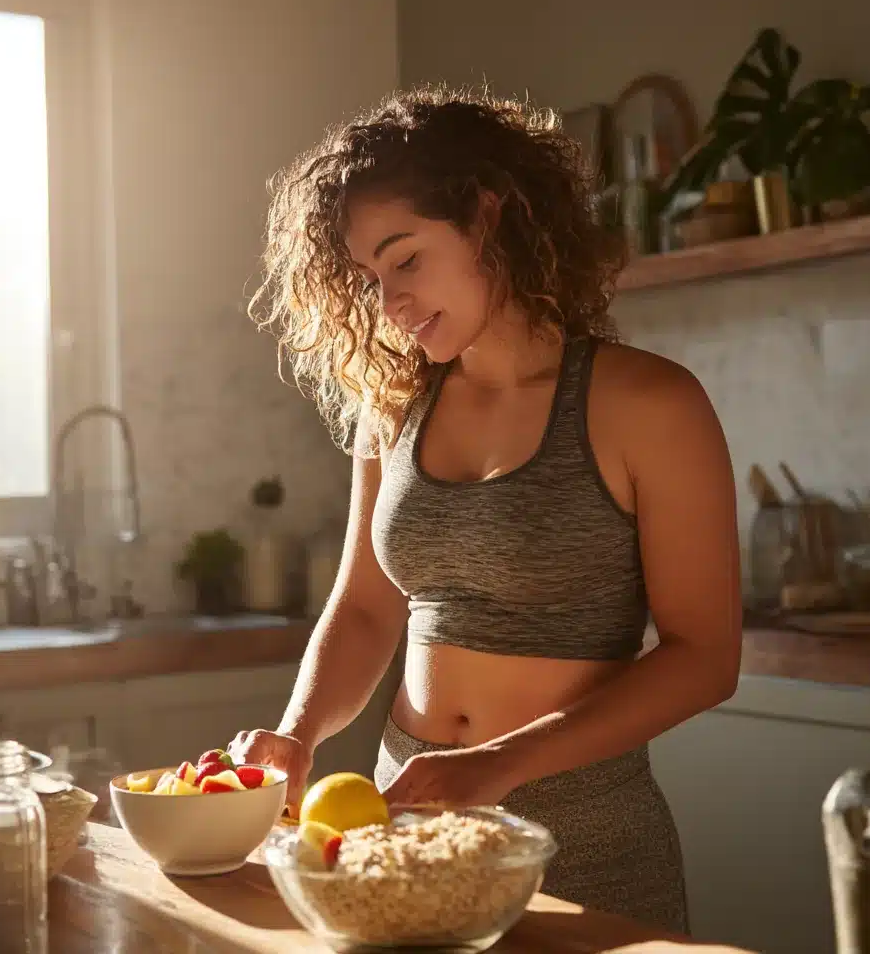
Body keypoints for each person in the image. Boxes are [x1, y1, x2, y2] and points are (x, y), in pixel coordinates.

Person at [230, 86, 742, 934]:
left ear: (487, 213)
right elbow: (364, 608)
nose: (388, 303)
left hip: (585, 841)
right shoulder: (391, 406)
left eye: (406, 260)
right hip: (408, 833)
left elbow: (705, 657)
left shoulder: (650, 403)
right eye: (369, 277)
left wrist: (501, 764)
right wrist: (296, 734)